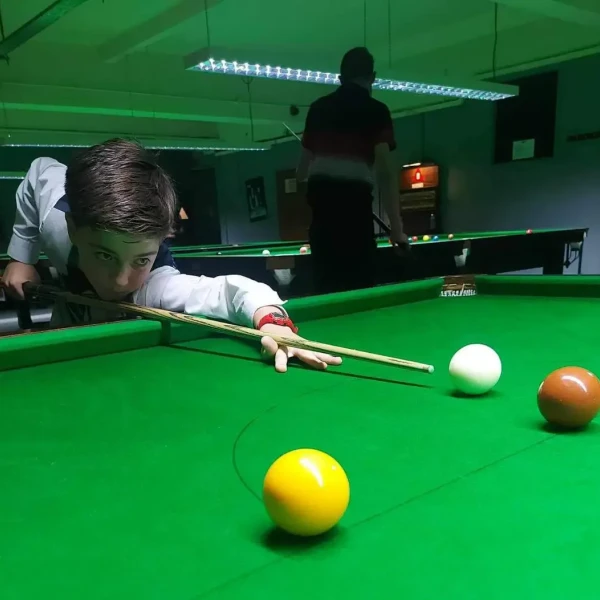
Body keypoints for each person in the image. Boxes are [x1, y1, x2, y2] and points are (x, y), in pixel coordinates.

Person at [0, 138, 341, 374]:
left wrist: (274, 324)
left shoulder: (155, 285)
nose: (122, 281)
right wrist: (22, 256)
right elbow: (39, 171)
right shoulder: (55, 222)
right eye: (104, 255)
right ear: (73, 228)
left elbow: (232, 292)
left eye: (140, 259)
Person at [297, 46, 408, 295]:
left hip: (323, 225)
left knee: (327, 293)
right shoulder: (377, 111)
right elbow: (385, 172)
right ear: (373, 77)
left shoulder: (317, 109)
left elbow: (301, 172)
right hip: (355, 219)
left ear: (340, 79)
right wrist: (397, 228)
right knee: (360, 292)